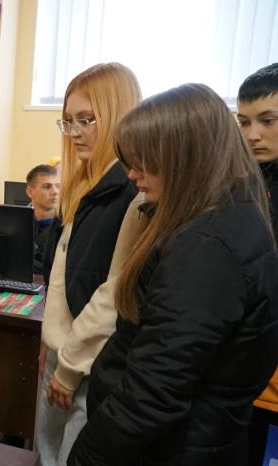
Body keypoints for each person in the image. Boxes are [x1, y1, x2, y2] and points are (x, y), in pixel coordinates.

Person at [68, 83, 278, 466]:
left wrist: (84, 459)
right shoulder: (229, 216)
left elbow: (153, 390)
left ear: (186, 158)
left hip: (171, 450)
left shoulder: (208, 247)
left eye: (145, 162)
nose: (133, 174)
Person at [34, 62, 144, 466]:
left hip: (90, 363)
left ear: (117, 115)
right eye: (68, 121)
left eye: (86, 120)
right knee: (45, 455)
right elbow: (60, 278)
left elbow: (113, 294)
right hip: (61, 353)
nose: (75, 132)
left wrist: (68, 367)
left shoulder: (132, 193)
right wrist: (49, 344)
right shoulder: (80, 186)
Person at [237, 62, 278, 465]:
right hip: (248, 377)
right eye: (244, 121)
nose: (253, 134)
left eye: (268, 121)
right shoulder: (246, 183)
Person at [25, 164, 60, 278]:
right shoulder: (20, 223)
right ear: (30, 192)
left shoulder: (67, 226)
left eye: (58, 186)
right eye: (47, 187)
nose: (55, 192)